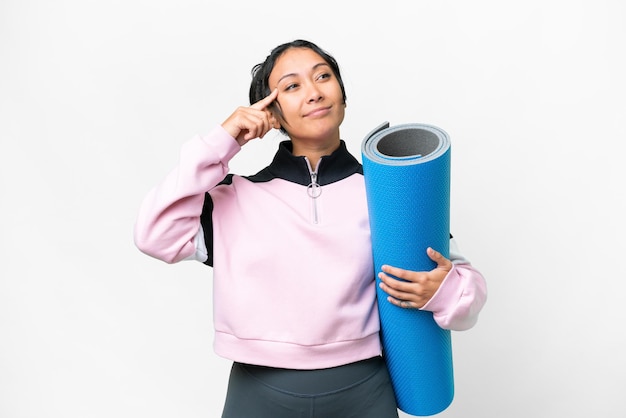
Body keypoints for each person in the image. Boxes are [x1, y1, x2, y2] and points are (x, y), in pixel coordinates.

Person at [133, 39, 487, 418]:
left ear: (343, 97)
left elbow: (469, 289)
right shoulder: (233, 198)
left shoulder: (388, 195)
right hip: (258, 392)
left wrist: (445, 290)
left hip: (365, 391)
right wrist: (222, 141)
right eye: (292, 86)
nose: (314, 92)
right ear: (271, 113)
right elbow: (156, 235)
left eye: (323, 76)